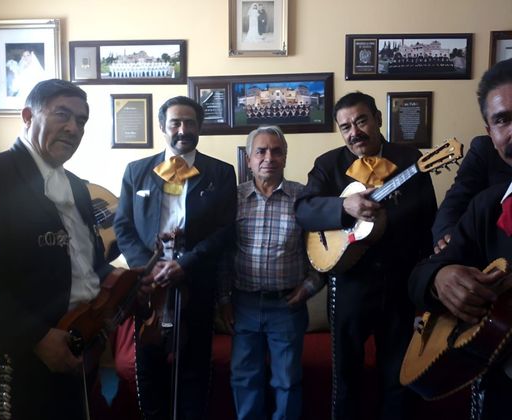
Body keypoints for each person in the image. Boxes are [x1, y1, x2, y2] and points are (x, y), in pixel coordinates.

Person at [0, 79, 152, 420]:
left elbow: (87, 262)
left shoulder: (78, 187)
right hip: (25, 356)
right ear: (28, 115)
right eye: (63, 114)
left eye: (81, 120)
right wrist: (36, 337)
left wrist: (126, 281)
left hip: (81, 338)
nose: (73, 127)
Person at [295, 92, 437, 420]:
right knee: (346, 379)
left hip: (400, 285)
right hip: (349, 287)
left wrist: (426, 291)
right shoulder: (328, 164)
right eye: (345, 127)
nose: (354, 132)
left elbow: (429, 220)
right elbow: (303, 210)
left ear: (378, 119)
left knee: (400, 377)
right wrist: (344, 206)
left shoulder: (410, 159)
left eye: (361, 121)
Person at [114, 95, 237, 420]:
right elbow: (123, 226)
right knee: (148, 367)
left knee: (194, 368)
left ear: (200, 126)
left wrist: (185, 263)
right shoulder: (136, 171)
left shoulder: (221, 172)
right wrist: (147, 268)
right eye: (175, 123)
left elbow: (225, 231)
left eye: (190, 123)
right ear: (162, 126)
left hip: (194, 281)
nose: (183, 129)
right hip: (148, 288)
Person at [408, 58, 512, 420]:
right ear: (491, 132)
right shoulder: (488, 204)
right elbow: (421, 274)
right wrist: (441, 277)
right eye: (503, 119)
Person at [218, 126, 324, 420]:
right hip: (243, 305)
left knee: (287, 382)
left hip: (287, 306)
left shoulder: (303, 198)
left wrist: (309, 288)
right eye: (261, 151)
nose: (269, 157)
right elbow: (225, 253)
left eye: (276, 151)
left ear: (285, 157)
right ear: (249, 160)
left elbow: (323, 252)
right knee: (244, 379)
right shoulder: (233, 199)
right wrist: (224, 299)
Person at [431, 133, 512, 253]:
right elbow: (454, 202)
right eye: (501, 120)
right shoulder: (485, 149)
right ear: (490, 130)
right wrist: (448, 241)